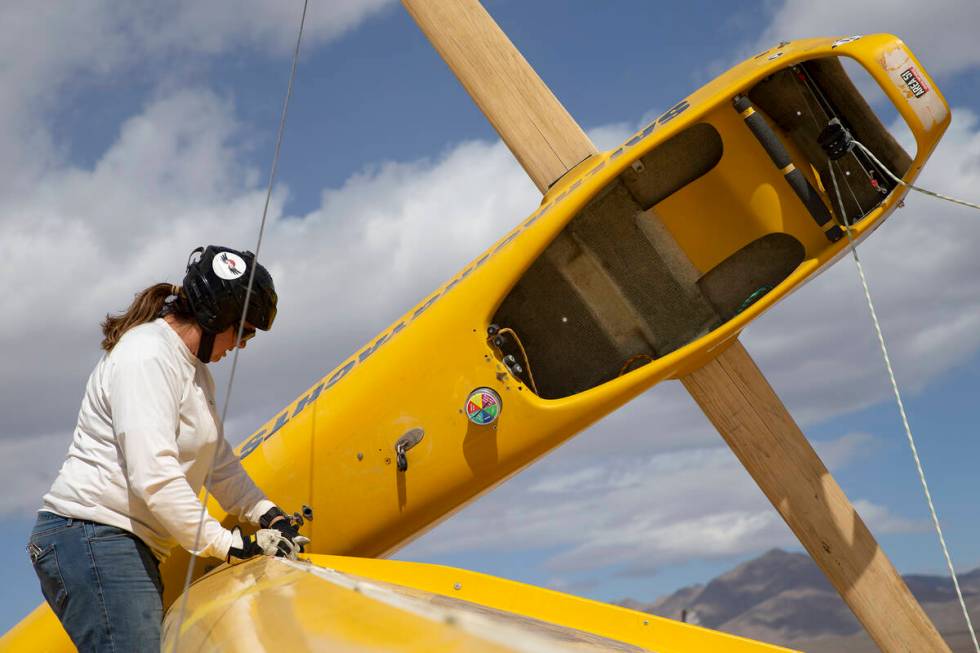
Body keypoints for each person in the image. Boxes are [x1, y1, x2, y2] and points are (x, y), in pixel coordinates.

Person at [27, 245, 306, 652]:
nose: (243, 345)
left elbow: (219, 464)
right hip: (92, 533)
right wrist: (229, 544)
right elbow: (154, 475)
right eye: (244, 331)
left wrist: (267, 514)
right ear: (216, 318)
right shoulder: (147, 356)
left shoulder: (193, 370)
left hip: (118, 541)